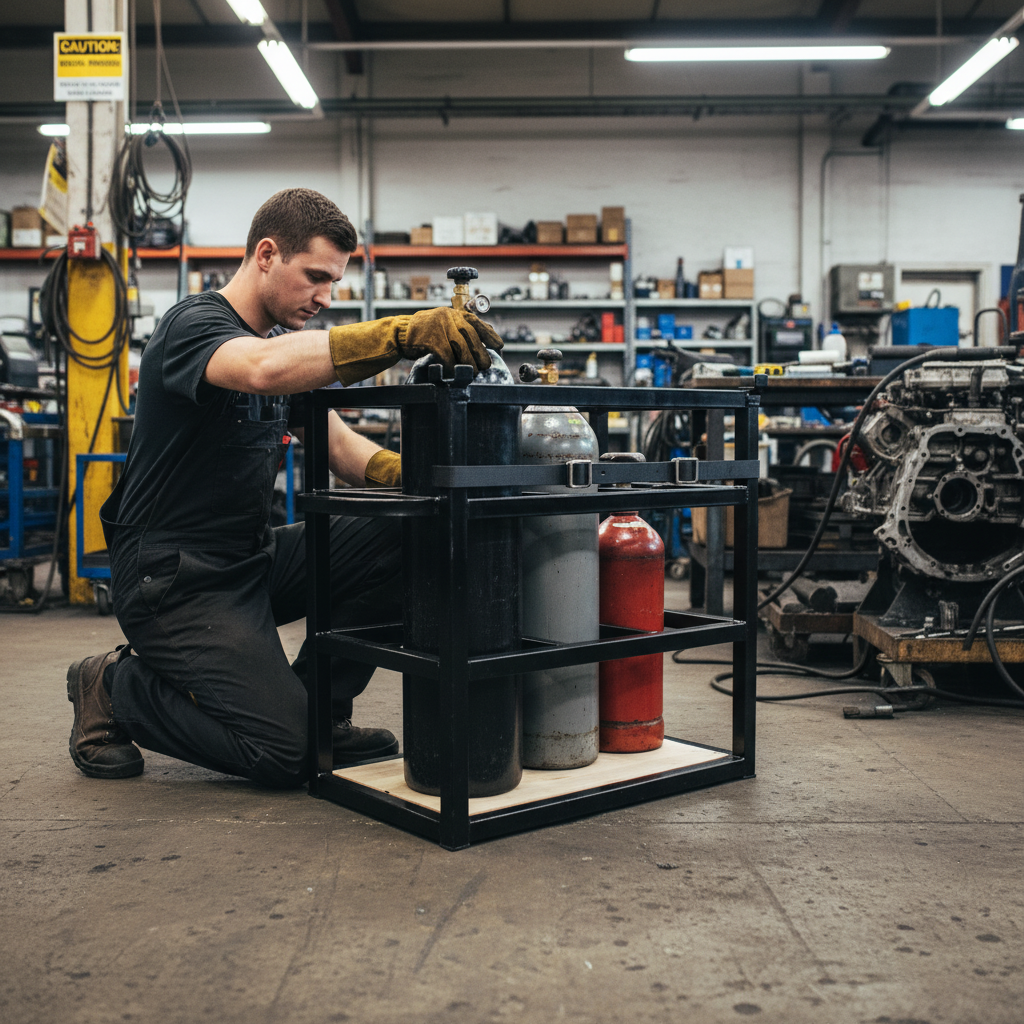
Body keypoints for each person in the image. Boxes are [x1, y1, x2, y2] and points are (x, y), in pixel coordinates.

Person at [66, 188, 502, 787]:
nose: (325, 297)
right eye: (316, 277)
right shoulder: (193, 328)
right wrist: (398, 335)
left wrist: (436, 478)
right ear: (266, 254)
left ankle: (321, 709)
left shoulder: (281, 350)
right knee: (287, 756)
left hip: (251, 558)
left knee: (409, 528)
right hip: (173, 578)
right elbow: (258, 370)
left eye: (335, 283)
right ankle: (114, 687)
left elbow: (345, 449)